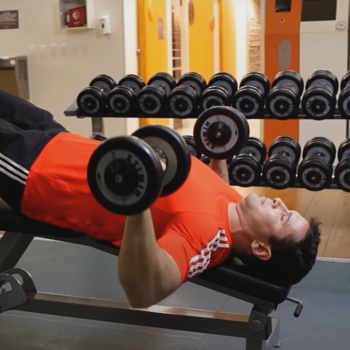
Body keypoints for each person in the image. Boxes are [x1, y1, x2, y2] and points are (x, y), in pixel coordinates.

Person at [0, 88, 321, 308]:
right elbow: (210, 188)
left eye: (283, 217)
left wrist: (136, 201)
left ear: (261, 248)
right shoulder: (233, 206)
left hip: (36, 172)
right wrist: (218, 153)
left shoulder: (205, 238)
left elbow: (142, 292)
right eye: (286, 208)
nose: (279, 203)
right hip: (61, 139)